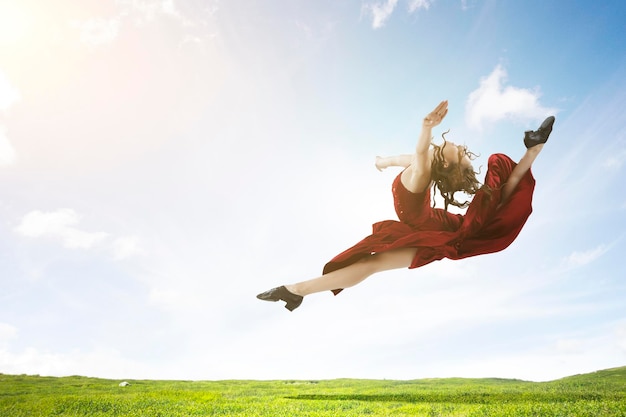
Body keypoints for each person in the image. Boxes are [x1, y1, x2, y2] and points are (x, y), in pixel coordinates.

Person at [257, 100, 555, 311]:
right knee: (370, 264)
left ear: (443, 162)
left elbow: (419, 151)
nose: (452, 144)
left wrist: (426, 127)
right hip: (429, 225)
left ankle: (534, 149)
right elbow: (405, 158)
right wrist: (382, 162)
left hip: (430, 228)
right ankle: (295, 292)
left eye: (454, 149)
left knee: (371, 264)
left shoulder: (425, 167)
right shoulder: (421, 164)